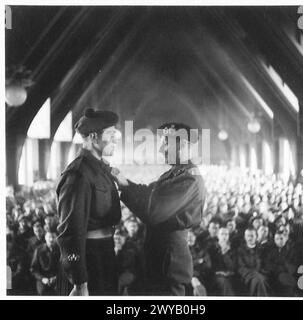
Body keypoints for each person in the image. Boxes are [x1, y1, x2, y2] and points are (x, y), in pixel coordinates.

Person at [113, 122, 206, 295]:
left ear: (184, 144)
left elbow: (153, 212)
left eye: (166, 143)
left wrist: (125, 189)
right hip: (160, 258)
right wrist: (125, 184)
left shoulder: (189, 179)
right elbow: (149, 193)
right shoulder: (174, 174)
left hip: (169, 264)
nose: (161, 149)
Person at [56, 108, 121, 296]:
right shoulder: (78, 174)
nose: (116, 139)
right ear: (93, 137)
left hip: (104, 253)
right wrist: (79, 281)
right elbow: (70, 232)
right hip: (89, 259)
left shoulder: (99, 169)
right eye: (110, 134)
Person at [237, 228, 269, 296]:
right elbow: (241, 267)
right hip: (247, 277)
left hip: (262, 275)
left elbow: (266, 265)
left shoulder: (262, 249)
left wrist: (261, 273)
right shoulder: (240, 250)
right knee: (258, 280)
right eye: (248, 236)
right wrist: (253, 273)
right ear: (245, 237)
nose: (250, 238)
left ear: (256, 237)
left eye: (252, 236)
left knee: (259, 280)